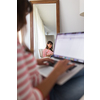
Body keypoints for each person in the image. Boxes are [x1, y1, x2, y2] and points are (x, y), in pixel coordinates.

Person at [17, 0, 84, 100]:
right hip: (48, 95)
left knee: (80, 67)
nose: (25, 22)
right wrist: (56, 72)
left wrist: (36, 61)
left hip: (44, 82)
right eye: (23, 15)